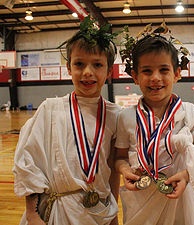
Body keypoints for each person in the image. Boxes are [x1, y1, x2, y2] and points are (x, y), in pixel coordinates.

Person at [115, 25, 194, 225]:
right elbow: (119, 157)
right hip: (139, 203)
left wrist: (187, 175)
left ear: (177, 73)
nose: (155, 78)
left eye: (164, 70)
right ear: (135, 76)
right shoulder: (125, 117)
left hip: (183, 202)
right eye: (146, 71)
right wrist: (125, 170)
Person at [13, 16, 121, 225]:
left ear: (108, 72)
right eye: (79, 64)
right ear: (69, 68)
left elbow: (112, 171)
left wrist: (113, 213)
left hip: (98, 213)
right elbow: (30, 161)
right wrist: (32, 214)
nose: (87, 72)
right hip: (54, 212)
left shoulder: (116, 115)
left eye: (97, 65)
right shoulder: (50, 109)